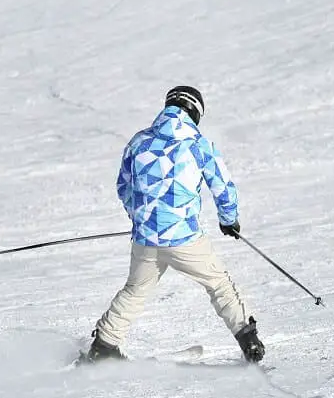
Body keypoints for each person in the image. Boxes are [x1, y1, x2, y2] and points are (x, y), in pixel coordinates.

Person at [85, 86, 265, 363]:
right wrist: (229, 220)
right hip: (185, 238)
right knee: (218, 284)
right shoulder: (197, 144)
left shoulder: (139, 141)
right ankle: (247, 338)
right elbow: (223, 186)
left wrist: (141, 217)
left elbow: (123, 186)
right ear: (195, 111)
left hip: (146, 239)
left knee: (135, 289)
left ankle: (104, 346)